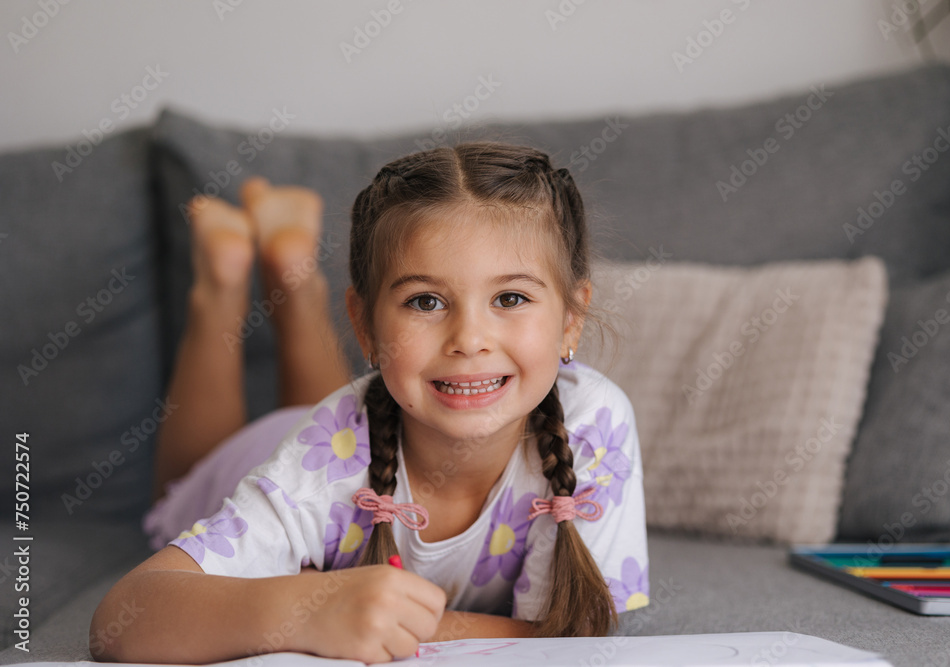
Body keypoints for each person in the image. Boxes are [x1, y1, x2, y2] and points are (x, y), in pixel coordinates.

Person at [91, 142, 649, 665]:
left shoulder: (593, 423)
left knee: (354, 410)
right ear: (362, 325)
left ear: (571, 318)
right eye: (425, 301)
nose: (470, 339)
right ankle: (222, 285)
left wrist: (393, 620)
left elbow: (568, 639)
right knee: (187, 473)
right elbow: (120, 620)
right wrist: (309, 606)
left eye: (511, 297)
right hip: (281, 450)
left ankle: (291, 272)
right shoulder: (317, 463)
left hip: (355, 430)